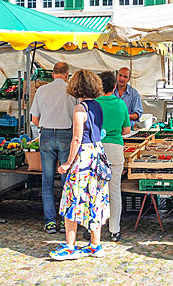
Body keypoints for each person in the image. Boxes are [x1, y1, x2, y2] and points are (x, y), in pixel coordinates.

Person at [50, 70, 111, 260]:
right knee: (96, 198)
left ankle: (70, 246)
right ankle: (95, 245)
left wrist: (67, 163)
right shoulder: (98, 107)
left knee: (72, 199)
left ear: (76, 87)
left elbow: (77, 139)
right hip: (97, 155)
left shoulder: (79, 109)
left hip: (83, 158)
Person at [30, 62, 78, 234]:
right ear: (67, 75)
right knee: (66, 181)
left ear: (53, 74)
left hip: (47, 136)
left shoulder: (42, 91)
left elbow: (34, 119)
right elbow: (77, 117)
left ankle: (50, 222)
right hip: (66, 135)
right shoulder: (72, 91)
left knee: (47, 181)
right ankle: (67, 221)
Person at [96, 70, 131, 241]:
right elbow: (127, 130)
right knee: (114, 191)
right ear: (114, 85)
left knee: (95, 190)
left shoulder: (93, 104)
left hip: (97, 149)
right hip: (116, 149)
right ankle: (114, 230)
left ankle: (93, 227)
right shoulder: (121, 104)